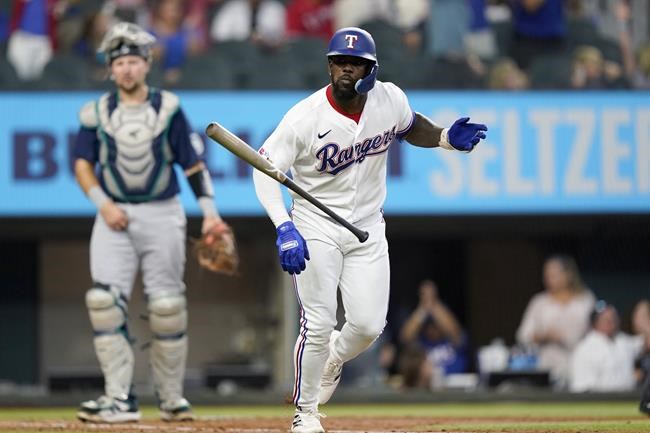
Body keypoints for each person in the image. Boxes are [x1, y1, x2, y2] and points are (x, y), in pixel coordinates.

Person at [252, 26, 487, 433]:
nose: (347, 69)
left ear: (372, 68)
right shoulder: (304, 117)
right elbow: (264, 170)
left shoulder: (388, 99)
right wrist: (284, 226)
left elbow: (411, 125)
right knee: (319, 321)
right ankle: (305, 413)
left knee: (367, 326)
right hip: (315, 224)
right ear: (329, 66)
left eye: (356, 63)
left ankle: (332, 360)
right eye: (340, 62)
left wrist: (446, 137)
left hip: (366, 228)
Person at [72, 22, 229, 423]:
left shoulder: (169, 108)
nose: (126, 69)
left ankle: (172, 399)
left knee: (167, 305)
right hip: (114, 214)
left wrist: (210, 212)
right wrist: (103, 204)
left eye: (133, 61)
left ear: (147, 64)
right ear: (110, 68)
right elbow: (82, 165)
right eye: (119, 62)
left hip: (163, 212)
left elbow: (192, 164)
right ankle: (118, 399)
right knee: (104, 302)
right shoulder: (95, 113)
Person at [516, 254, 596, 389]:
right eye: (546, 275)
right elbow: (523, 335)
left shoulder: (586, 300)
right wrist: (544, 335)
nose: (548, 279)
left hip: (580, 366)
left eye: (554, 274)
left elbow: (595, 335)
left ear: (568, 274)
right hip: (547, 367)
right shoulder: (539, 302)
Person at [398, 280, 468, 389]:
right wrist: (423, 309)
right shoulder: (421, 344)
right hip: (425, 390)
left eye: (435, 325)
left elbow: (455, 332)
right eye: (429, 325)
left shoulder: (450, 340)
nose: (432, 329)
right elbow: (405, 337)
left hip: (455, 388)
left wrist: (432, 302)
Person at [569, 301, 650, 392]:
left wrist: (643, 320)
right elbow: (583, 389)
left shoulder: (622, 341)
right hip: (601, 402)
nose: (611, 322)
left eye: (613, 318)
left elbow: (645, 342)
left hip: (627, 400)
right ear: (595, 322)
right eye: (606, 319)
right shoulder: (584, 349)